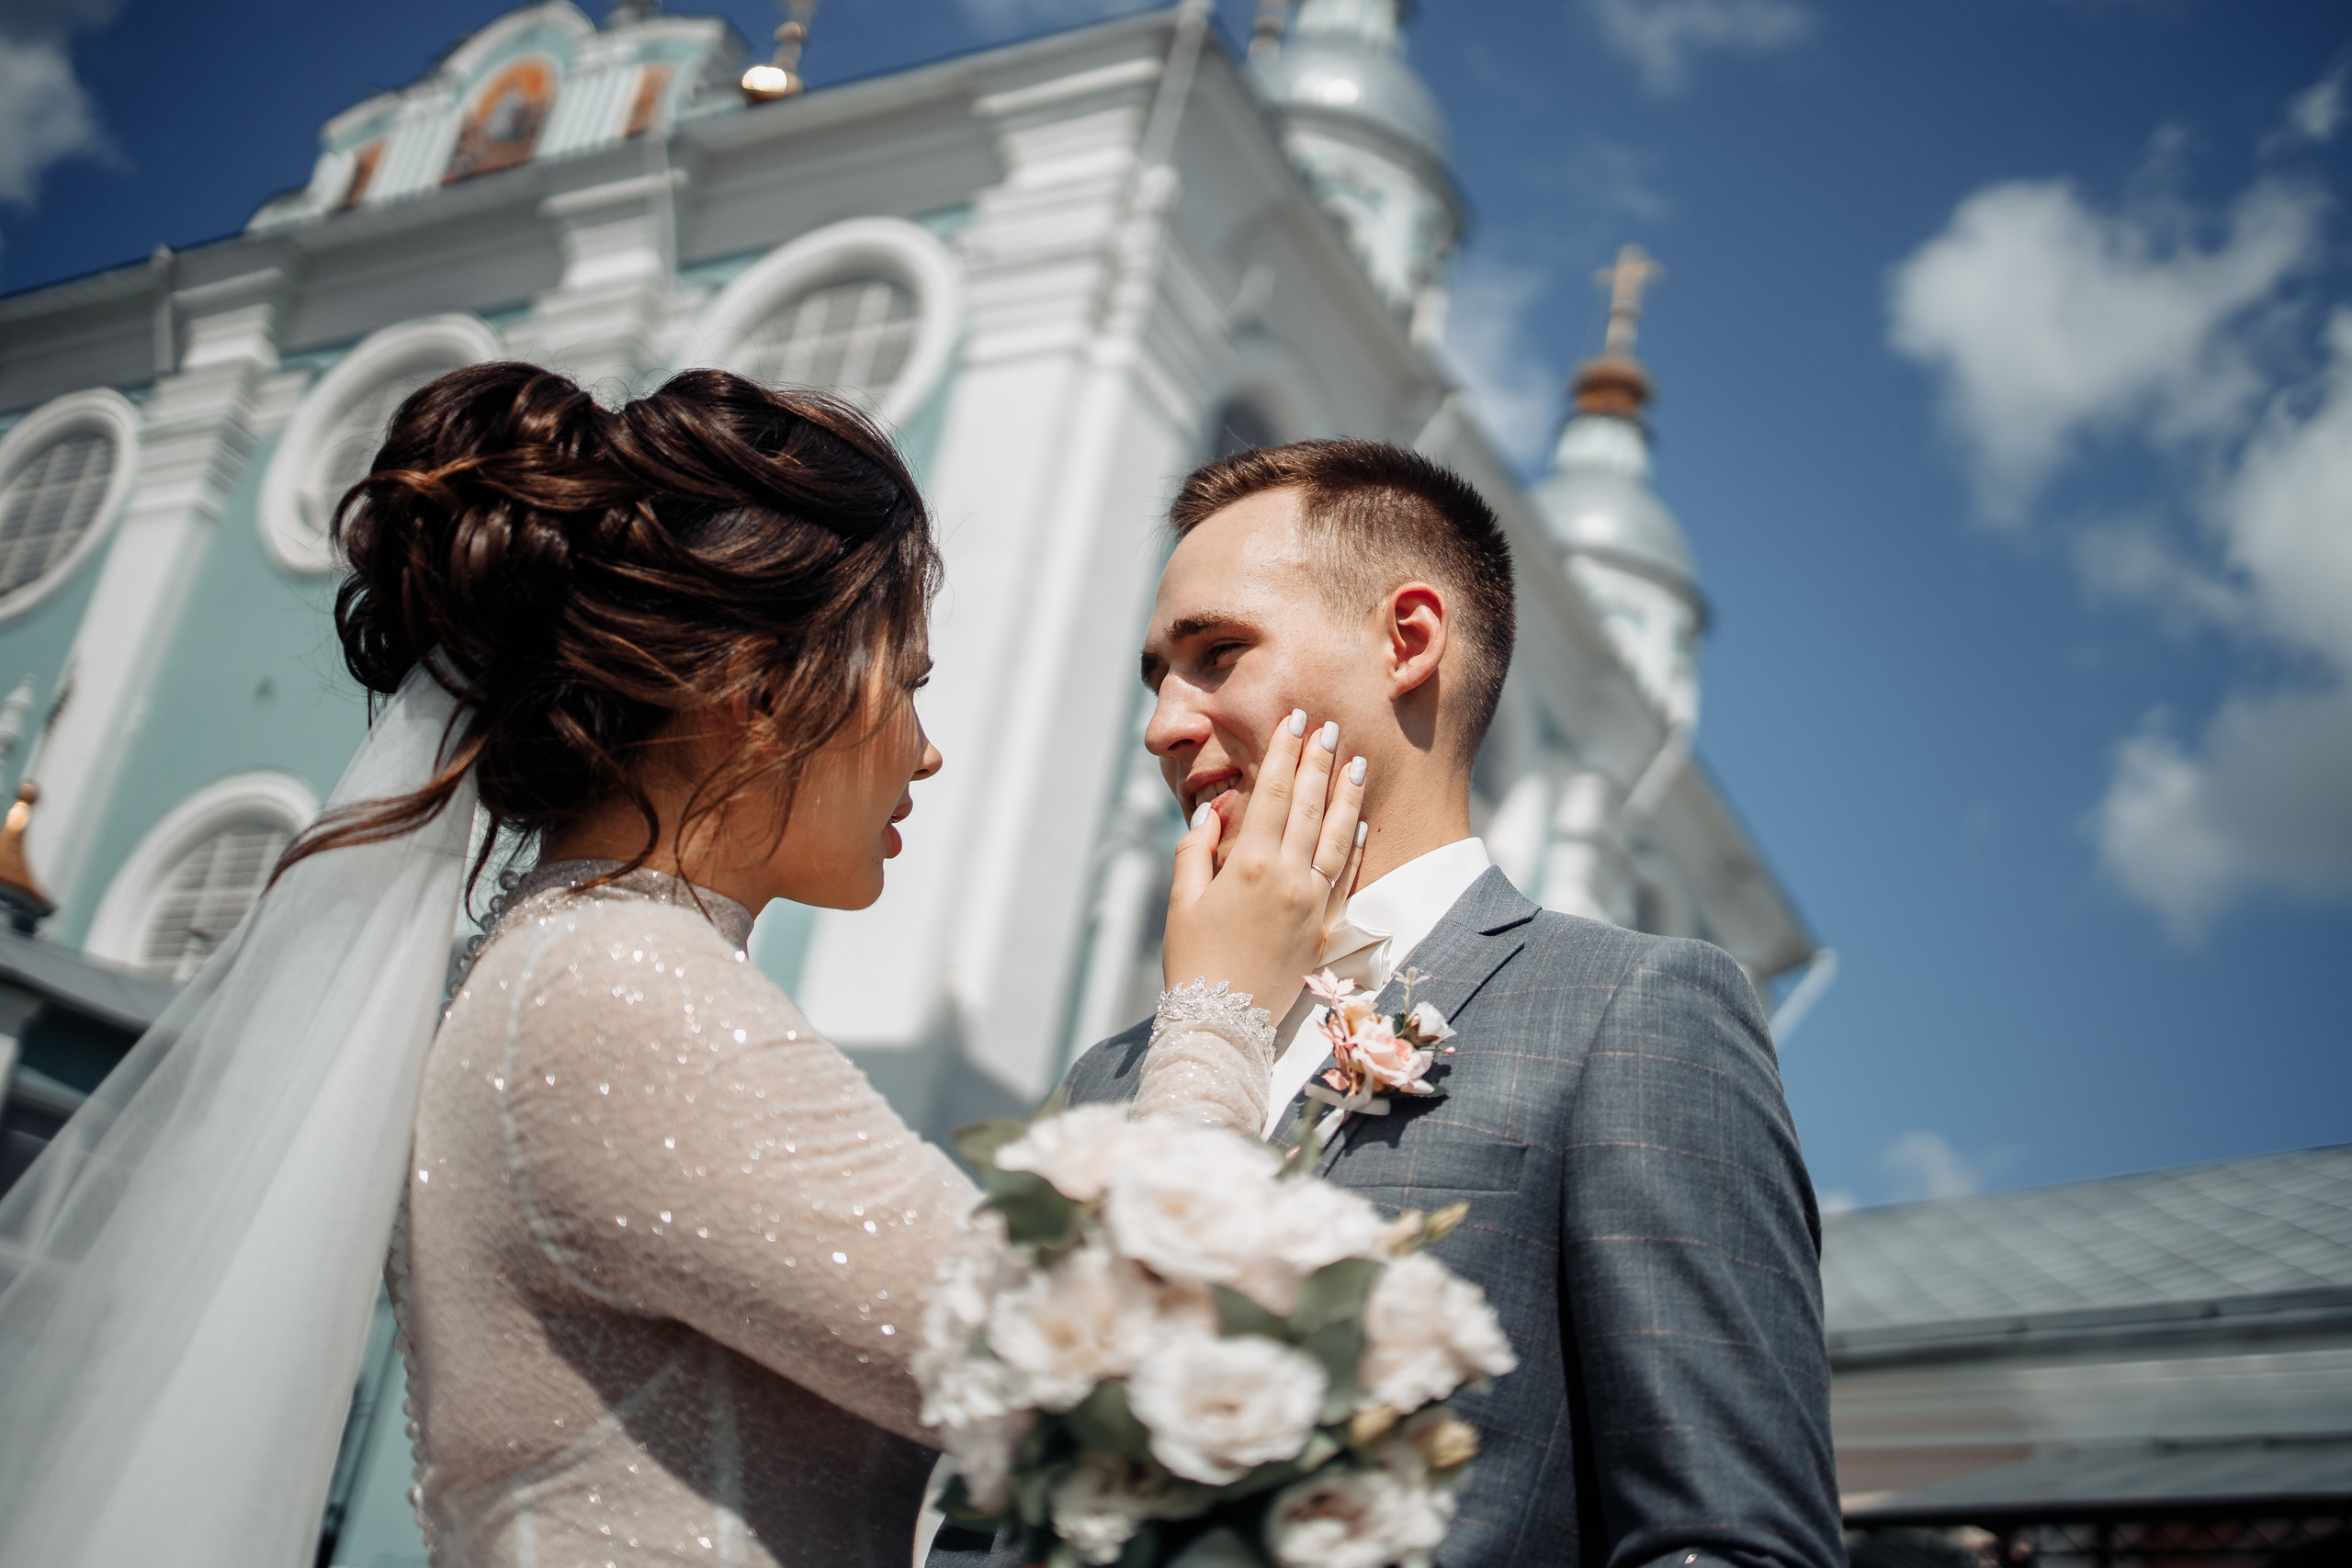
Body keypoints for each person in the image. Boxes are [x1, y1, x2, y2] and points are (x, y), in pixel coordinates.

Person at [0, 366, 1371, 1568]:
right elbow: (1132, 1373)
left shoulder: (572, 966)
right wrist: (1222, 1007)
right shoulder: (618, 994)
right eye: (909, 677)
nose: (925, 749)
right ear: (758, 684)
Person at [930, 440, 1845, 1568]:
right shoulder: (1113, 1077)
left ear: (1406, 643)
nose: (1165, 724)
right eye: (1158, 677)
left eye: (1217, 653)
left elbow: (1730, 1543)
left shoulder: (1630, 1010)